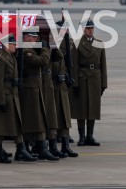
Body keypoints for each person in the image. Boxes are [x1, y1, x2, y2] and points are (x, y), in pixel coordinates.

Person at [0, 34, 37, 163]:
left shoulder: (11, 57)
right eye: (13, 44)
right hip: (4, 95)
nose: (15, 46)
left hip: (12, 94)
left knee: (16, 124)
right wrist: (1, 100)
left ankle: (21, 149)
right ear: (5, 45)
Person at [19, 32, 58, 161]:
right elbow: (42, 61)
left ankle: (40, 148)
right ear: (25, 37)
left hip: (36, 87)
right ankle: (28, 149)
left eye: (37, 36)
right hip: (29, 88)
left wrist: (50, 46)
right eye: (33, 36)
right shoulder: (25, 51)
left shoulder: (32, 49)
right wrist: (46, 48)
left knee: (38, 118)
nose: (36, 38)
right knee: (30, 119)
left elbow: (59, 57)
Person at [73, 19, 107, 146]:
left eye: (92, 28)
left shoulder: (99, 44)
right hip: (82, 79)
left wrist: (104, 83)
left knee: (93, 108)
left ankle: (90, 136)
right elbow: (74, 65)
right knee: (81, 109)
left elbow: (103, 65)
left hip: (95, 79)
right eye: (88, 28)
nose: (90, 30)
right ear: (83, 29)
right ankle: (82, 136)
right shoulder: (77, 44)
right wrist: (75, 83)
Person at [51, 24, 78, 158]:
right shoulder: (53, 48)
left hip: (62, 86)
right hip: (53, 87)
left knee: (65, 117)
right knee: (55, 118)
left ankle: (65, 146)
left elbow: (69, 47)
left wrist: (67, 37)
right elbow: (60, 52)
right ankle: (53, 146)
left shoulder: (65, 45)